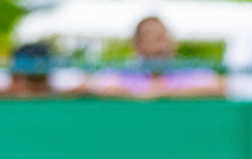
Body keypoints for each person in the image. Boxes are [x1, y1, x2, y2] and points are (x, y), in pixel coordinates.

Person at [91, 16, 225, 99]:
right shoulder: (124, 73)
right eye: (149, 37)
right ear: (136, 44)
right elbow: (103, 87)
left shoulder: (185, 71)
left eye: (162, 36)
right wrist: (145, 94)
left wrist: (167, 94)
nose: (159, 43)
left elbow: (218, 86)